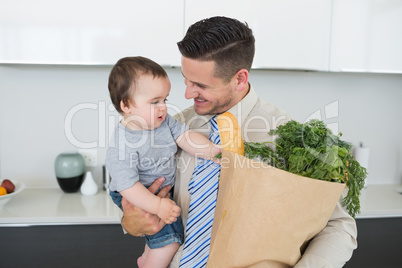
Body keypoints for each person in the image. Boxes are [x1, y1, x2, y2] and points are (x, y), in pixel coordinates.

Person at [121, 17, 358, 267]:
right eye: (186, 80)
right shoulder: (170, 129)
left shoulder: (291, 139)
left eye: (200, 85)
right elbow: (138, 201)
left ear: (240, 79)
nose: (188, 94)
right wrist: (130, 222)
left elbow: (337, 225)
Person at [105, 56, 221, 268]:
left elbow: (185, 137)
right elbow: (127, 186)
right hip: (135, 191)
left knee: (159, 237)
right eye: (155, 102)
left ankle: (145, 258)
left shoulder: (163, 122)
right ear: (127, 105)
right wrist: (157, 205)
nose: (163, 108)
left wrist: (212, 150)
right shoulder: (122, 144)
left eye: (165, 100)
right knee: (169, 241)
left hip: (155, 188)